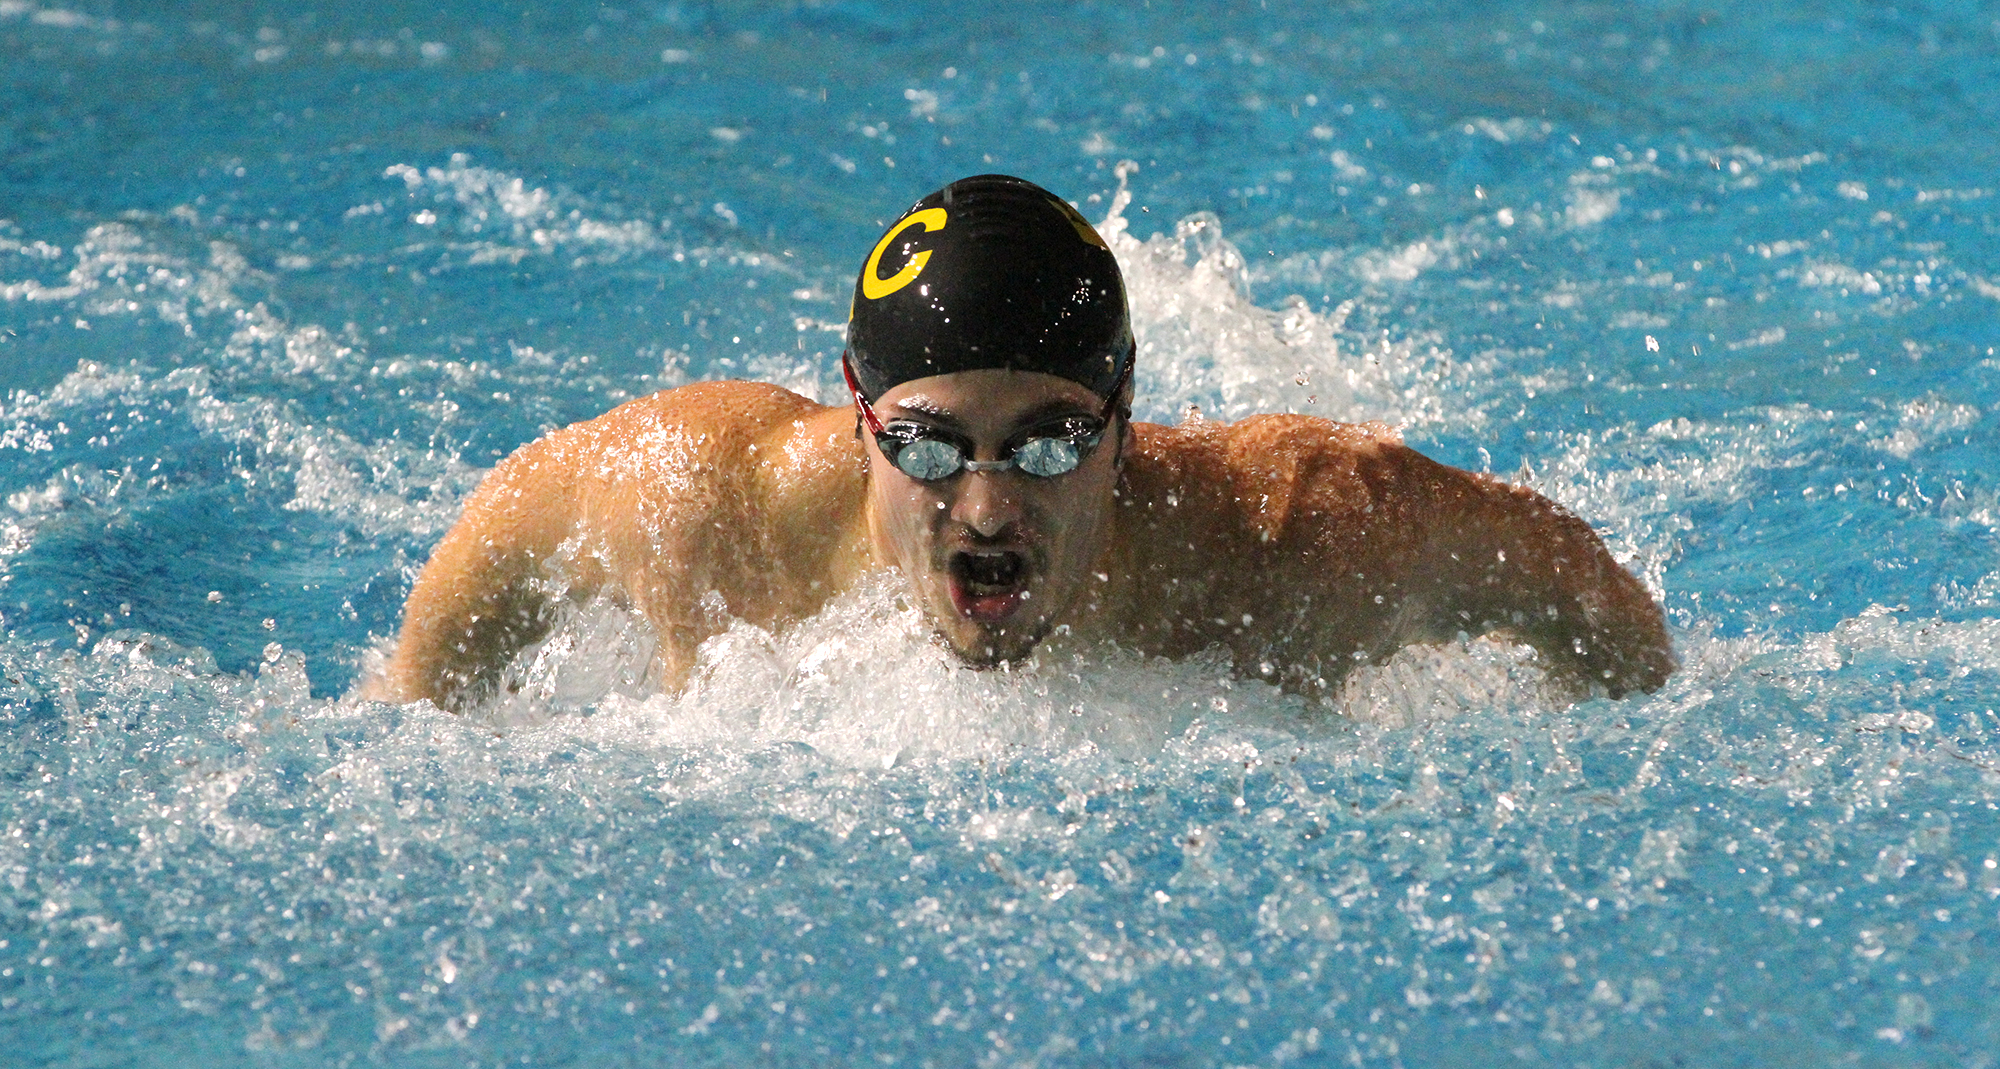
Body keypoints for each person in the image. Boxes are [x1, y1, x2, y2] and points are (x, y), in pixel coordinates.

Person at [368, 174, 1674, 712]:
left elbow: (1591, 600)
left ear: (1123, 422)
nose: (987, 509)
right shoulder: (695, 506)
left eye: (1047, 447)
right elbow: (419, 695)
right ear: (857, 411)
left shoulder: (1305, 539)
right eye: (934, 450)